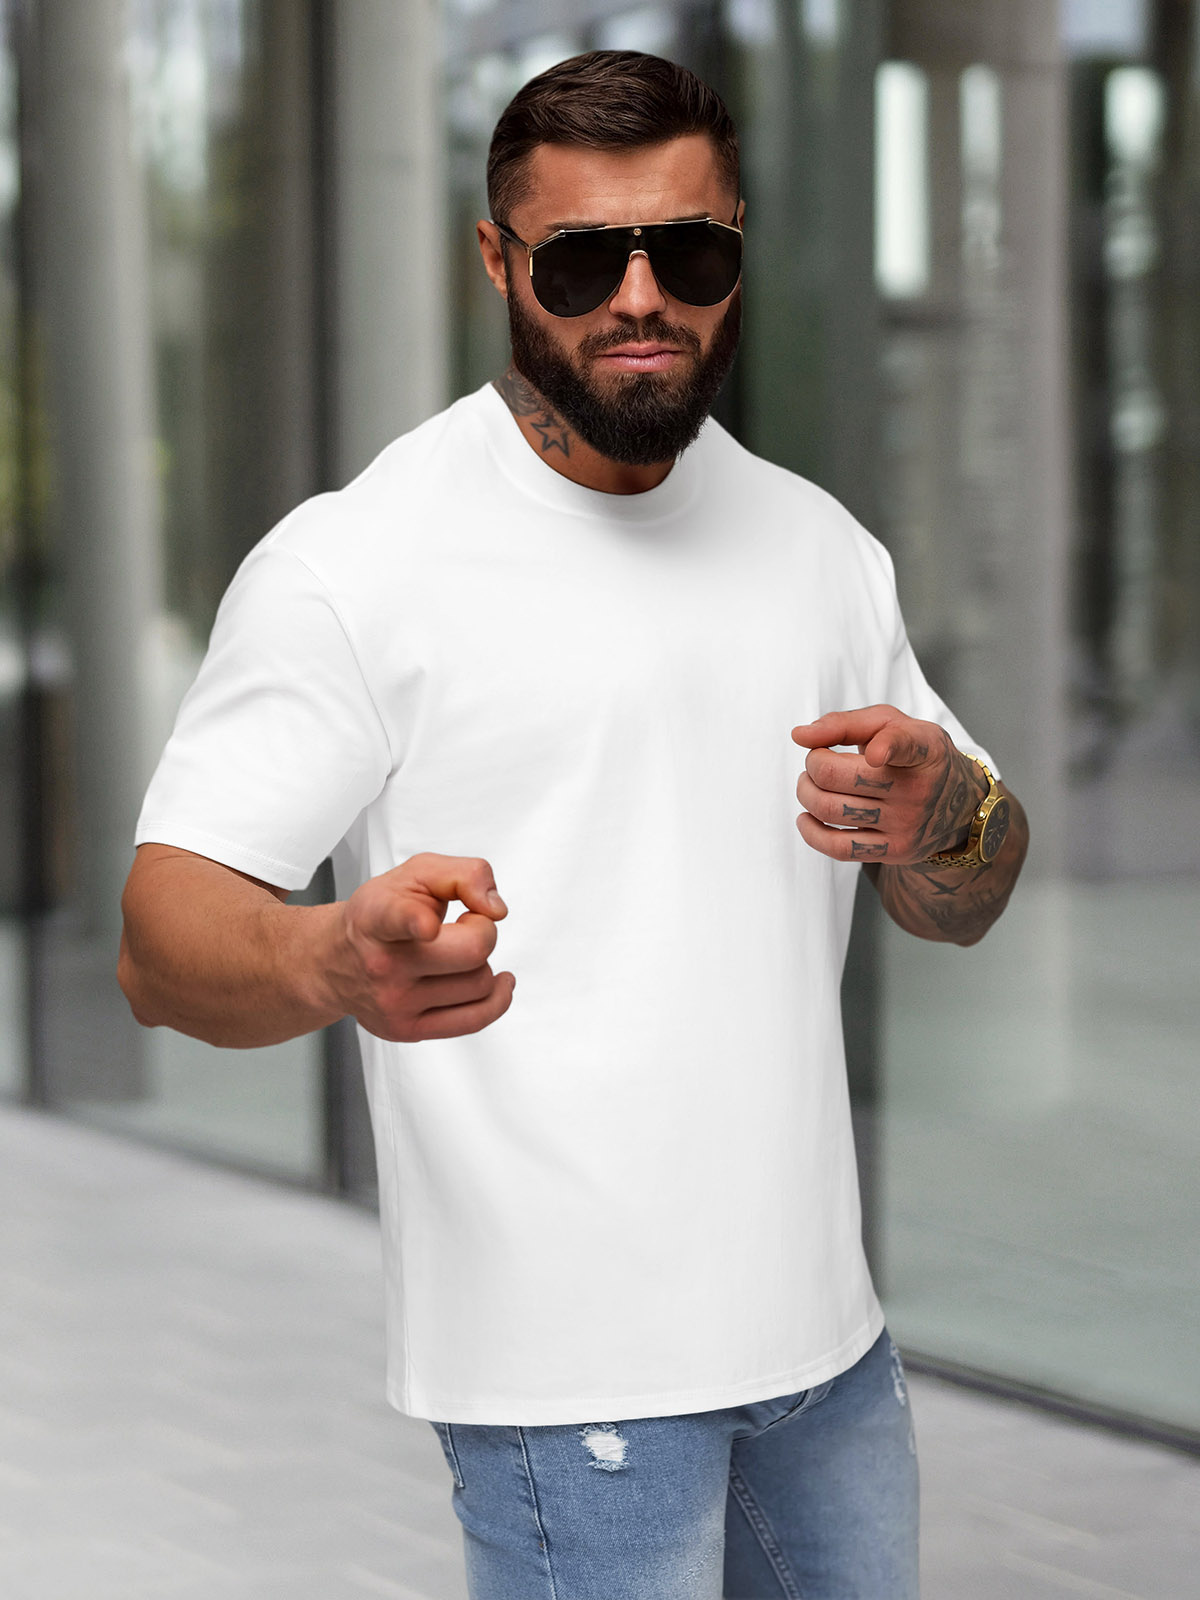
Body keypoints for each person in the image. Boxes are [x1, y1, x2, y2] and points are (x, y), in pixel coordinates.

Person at [119, 49, 1028, 1600]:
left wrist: (948, 813)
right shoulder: (358, 564)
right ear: (497, 259)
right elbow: (159, 940)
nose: (640, 296)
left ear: (736, 250)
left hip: (827, 1356)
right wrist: (331, 960)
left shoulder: (820, 547)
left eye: (688, 252)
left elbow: (972, 887)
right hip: (573, 1388)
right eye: (582, 257)